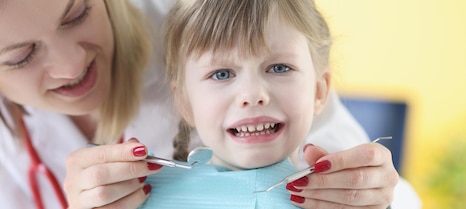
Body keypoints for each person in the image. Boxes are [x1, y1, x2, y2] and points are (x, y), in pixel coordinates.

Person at [0, 0, 404, 209]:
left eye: (76, 14)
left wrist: (374, 193)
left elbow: (391, 194)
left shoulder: (208, 26)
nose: (69, 65)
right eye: (21, 56)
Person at [135, 0, 357, 208]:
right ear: (185, 103)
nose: (252, 95)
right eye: (221, 74)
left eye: (279, 68)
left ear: (319, 91)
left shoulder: (349, 201)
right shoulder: (140, 198)